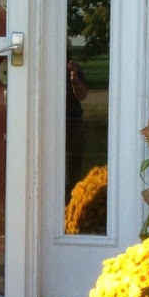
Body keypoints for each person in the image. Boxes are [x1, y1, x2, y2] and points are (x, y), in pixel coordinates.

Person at [66, 53, 88, 201]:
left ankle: (75, 193)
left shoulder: (74, 69)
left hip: (73, 118)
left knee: (75, 157)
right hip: (53, 117)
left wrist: (74, 79)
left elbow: (82, 95)